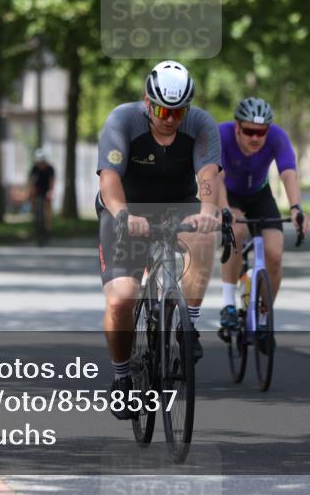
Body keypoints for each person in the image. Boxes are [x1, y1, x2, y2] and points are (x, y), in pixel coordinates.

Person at [96, 60, 222, 420]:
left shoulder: (200, 124)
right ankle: (122, 378)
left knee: (203, 237)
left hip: (176, 205)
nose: (170, 118)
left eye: (179, 111)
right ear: (146, 101)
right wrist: (124, 216)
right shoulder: (122, 121)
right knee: (122, 298)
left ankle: (188, 325)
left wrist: (209, 209)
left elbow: (208, 175)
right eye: (163, 109)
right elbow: (109, 180)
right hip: (126, 208)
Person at [217, 97, 307, 340]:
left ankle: (263, 315)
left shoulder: (277, 136)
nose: (255, 138)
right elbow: (214, 176)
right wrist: (224, 211)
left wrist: (296, 207)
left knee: (275, 253)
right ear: (237, 127)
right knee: (236, 232)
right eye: (249, 131)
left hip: (260, 194)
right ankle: (228, 305)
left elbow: (288, 172)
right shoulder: (221, 135)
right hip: (228, 193)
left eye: (261, 132)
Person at [27, 149, 56, 234]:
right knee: (33, 199)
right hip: (37, 189)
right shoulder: (34, 168)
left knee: (47, 207)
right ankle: (34, 216)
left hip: (46, 189)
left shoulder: (50, 168)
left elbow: (52, 181)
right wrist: (31, 189)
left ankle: (48, 227)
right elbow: (31, 180)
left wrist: (50, 191)